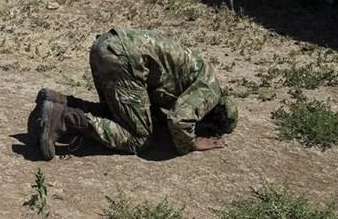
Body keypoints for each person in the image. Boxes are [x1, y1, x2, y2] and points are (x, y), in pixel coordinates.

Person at [29, 28, 238, 160]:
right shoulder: (210, 91)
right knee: (140, 138)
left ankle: (56, 101)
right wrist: (191, 143)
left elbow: (156, 101)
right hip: (124, 58)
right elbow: (179, 120)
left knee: (116, 116)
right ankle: (65, 118)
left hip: (107, 45)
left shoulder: (201, 75)